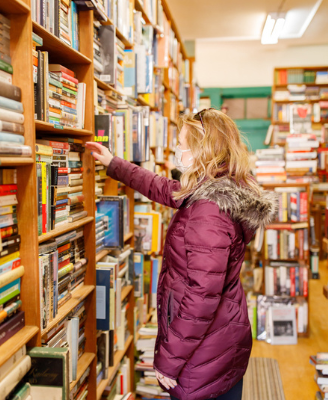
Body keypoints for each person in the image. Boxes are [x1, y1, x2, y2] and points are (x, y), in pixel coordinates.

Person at [87, 108, 276, 400]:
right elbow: (162, 188)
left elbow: (201, 298)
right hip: (220, 342)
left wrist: (169, 360)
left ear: (202, 149)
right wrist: (114, 164)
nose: (177, 148)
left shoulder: (208, 212)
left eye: (181, 141)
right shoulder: (219, 189)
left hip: (202, 356)